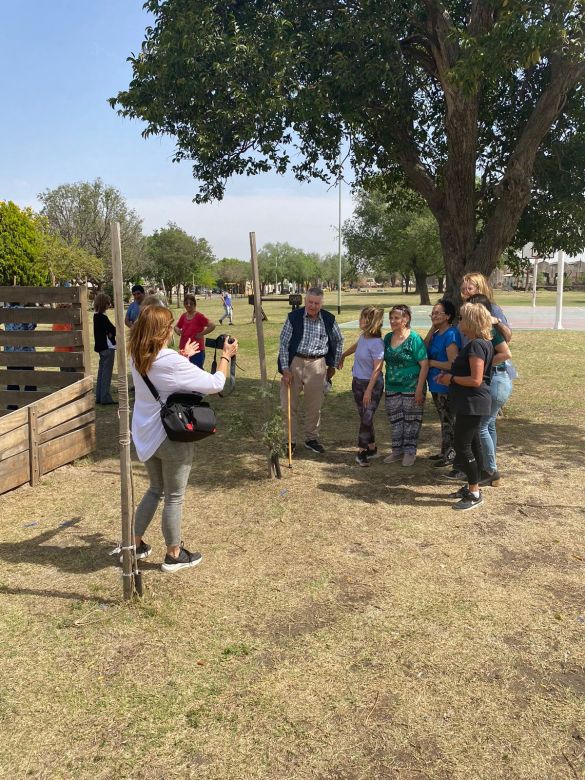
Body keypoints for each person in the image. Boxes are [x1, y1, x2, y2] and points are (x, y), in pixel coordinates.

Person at [128, 304, 238, 573]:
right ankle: (174, 554)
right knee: (174, 496)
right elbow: (216, 384)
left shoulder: (137, 355)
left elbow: (164, 377)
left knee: (155, 489)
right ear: (163, 331)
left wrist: (182, 357)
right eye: (169, 327)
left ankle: (135, 544)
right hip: (169, 435)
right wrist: (225, 356)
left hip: (145, 434)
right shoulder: (169, 361)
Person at [435, 302, 494, 511]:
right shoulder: (480, 343)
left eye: (461, 318)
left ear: (471, 321)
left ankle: (475, 492)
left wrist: (451, 378)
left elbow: (476, 380)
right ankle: (473, 485)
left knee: (462, 446)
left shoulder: (477, 345)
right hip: (471, 402)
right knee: (473, 444)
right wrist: (450, 378)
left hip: (473, 402)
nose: (459, 322)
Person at [278, 287, 343, 454]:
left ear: (321, 304)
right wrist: (285, 369)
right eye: (310, 302)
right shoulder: (294, 317)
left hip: (317, 364)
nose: (312, 306)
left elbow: (338, 340)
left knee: (314, 406)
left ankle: (311, 438)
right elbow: (284, 344)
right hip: (295, 362)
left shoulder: (328, 319)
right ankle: (289, 441)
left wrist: (333, 365)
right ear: (305, 301)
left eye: (316, 303)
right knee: (288, 404)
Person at [468, 294, 513, 487]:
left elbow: (505, 353)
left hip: (497, 380)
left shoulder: (489, 331)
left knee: (482, 426)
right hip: (497, 379)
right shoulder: (481, 330)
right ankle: (488, 466)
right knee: (489, 425)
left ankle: (490, 471)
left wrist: (483, 365)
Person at [338, 305, 385, 467]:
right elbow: (357, 346)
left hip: (371, 385)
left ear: (373, 322)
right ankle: (372, 448)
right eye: (361, 316)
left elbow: (377, 370)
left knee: (367, 417)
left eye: (365, 317)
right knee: (365, 417)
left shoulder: (377, 343)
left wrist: (369, 391)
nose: (361, 320)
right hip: (357, 382)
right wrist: (344, 355)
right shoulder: (364, 337)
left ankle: (361, 452)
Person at [382, 305, 429, 466]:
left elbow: (424, 364)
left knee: (411, 420)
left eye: (396, 318)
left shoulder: (414, 339)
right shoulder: (388, 338)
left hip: (412, 387)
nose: (393, 321)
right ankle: (397, 451)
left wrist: (419, 389)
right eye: (391, 318)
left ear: (406, 319)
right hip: (392, 386)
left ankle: (410, 452)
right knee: (395, 420)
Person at [424, 299, 461, 467]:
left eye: (437, 313)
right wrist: (433, 328)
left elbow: (452, 364)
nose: (434, 315)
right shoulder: (437, 333)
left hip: (445, 385)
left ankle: (452, 454)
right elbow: (423, 349)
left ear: (448, 316)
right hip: (435, 385)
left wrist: (431, 363)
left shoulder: (451, 334)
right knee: (443, 419)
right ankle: (445, 450)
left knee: (449, 421)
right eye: (432, 313)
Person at [460, 273, 512, 344]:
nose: (465, 292)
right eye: (463, 289)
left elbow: (508, 337)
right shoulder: (464, 309)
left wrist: (497, 322)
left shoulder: (493, 309)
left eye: (470, 289)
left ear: (480, 289)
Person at [4, 302, 37, 411]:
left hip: (11, 352)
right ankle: (30, 405)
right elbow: (31, 326)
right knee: (30, 380)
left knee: (13, 381)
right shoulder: (25, 311)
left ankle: (12, 406)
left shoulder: (6, 310)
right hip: (26, 351)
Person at [174, 294, 216, 369]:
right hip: (184, 350)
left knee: (197, 371)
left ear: (195, 304)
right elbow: (176, 326)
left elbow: (212, 325)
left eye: (191, 303)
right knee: (184, 371)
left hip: (197, 350)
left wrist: (201, 334)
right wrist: (177, 330)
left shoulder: (199, 316)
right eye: (186, 303)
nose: (188, 305)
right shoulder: (183, 316)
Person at [93, 292, 117, 405]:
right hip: (108, 348)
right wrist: (111, 333)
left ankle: (99, 396)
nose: (109, 304)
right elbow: (113, 329)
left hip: (101, 348)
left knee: (101, 373)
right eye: (108, 303)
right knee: (106, 374)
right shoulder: (102, 317)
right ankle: (105, 397)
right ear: (104, 304)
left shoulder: (95, 316)